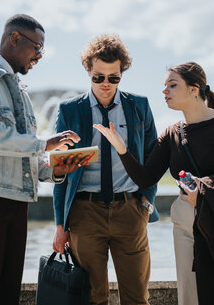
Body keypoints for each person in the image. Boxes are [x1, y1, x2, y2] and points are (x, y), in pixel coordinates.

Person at [94, 62, 214, 304]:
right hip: (185, 222)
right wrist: (121, 148)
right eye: (164, 86)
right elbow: (146, 178)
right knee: (191, 294)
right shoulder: (172, 133)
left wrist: (205, 193)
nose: (165, 91)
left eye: (172, 85)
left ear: (194, 89)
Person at [0, 14, 87, 305]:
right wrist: (44, 143)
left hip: (13, 202)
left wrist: (57, 169)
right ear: (14, 39)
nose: (39, 56)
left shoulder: (19, 91)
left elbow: (21, 153)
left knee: (6, 293)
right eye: (37, 48)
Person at [52, 34, 159, 305]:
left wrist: (145, 203)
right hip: (84, 213)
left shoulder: (140, 106)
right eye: (98, 77)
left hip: (130, 210)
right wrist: (60, 225)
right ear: (88, 71)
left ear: (122, 74)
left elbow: (152, 158)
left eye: (114, 78)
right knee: (92, 298)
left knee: (137, 298)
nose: (105, 84)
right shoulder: (69, 110)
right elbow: (61, 173)